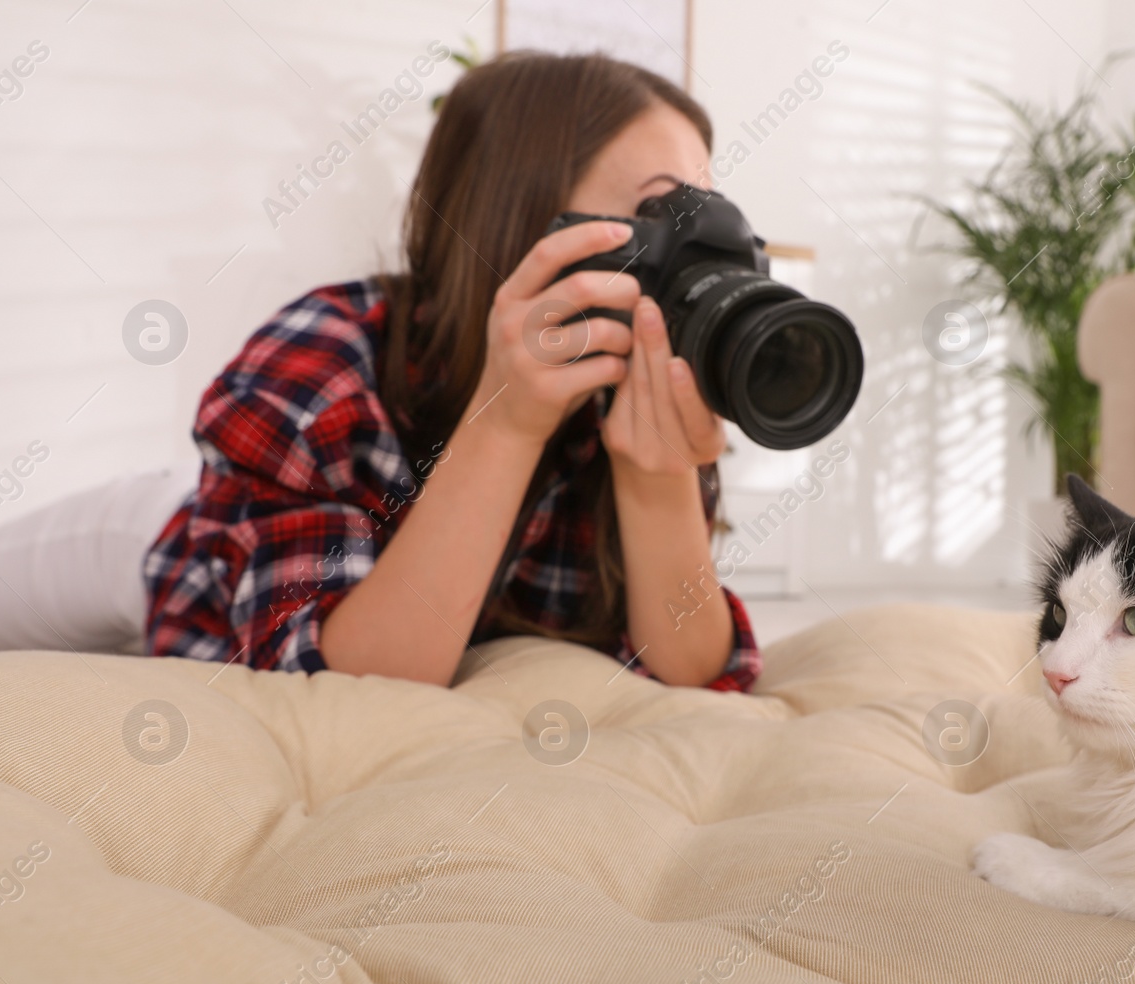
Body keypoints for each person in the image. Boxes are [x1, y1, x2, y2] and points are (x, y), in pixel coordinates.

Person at [143, 51, 760, 691]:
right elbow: (337, 689)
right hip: (187, 545)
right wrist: (504, 426)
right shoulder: (323, 359)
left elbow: (695, 672)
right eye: (664, 216)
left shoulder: (634, 378)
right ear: (519, 219)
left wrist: (657, 478)